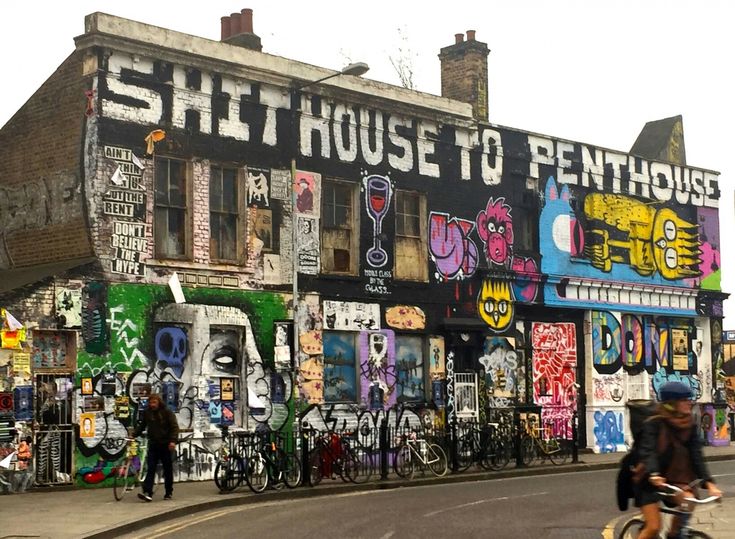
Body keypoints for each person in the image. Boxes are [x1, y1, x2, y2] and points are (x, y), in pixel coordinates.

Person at [632, 381, 722, 538]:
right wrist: (653, 474)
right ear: (671, 403)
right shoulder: (654, 424)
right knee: (653, 527)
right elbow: (648, 452)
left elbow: (696, 456)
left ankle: (674, 534)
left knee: (689, 501)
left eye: (689, 399)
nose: (689, 403)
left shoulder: (690, 425)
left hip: (674, 481)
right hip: (648, 480)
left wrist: (709, 483)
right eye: (684, 400)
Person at [133, 393, 179, 501]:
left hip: (166, 445)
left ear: (159, 402)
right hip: (153, 444)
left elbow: (174, 427)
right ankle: (148, 492)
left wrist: (173, 441)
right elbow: (142, 426)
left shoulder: (167, 412)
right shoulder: (148, 413)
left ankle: (168, 492)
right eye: (150, 402)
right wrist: (134, 434)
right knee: (151, 468)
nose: (152, 405)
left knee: (167, 469)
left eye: (154, 402)